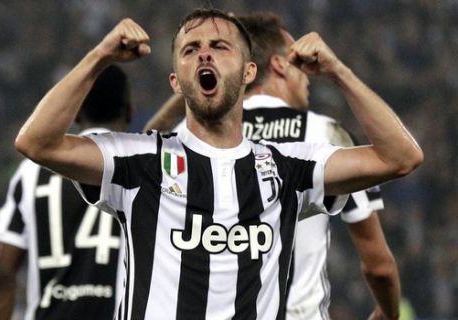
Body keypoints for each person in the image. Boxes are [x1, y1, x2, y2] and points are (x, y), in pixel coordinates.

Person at [13, 8, 423, 320]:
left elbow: (400, 157)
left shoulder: (288, 167)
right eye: (191, 50)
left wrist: (338, 71)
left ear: (248, 72)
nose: (204, 53)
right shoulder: (138, 160)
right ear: (177, 81)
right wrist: (100, 56)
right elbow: (36, 142)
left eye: (219, 46)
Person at [144, 12, 402, 320]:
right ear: (279, 66)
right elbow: (378, 265)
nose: (307, 79)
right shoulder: (326, 137)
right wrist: (388, 312)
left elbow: (146, 147)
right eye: (300, 66)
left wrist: (198, 72)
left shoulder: (195, 136)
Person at [0, 65, 130, 320]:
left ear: (75, 114)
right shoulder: (141, 166)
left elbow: (4, 274)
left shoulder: (32, 171)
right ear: (129, 110)